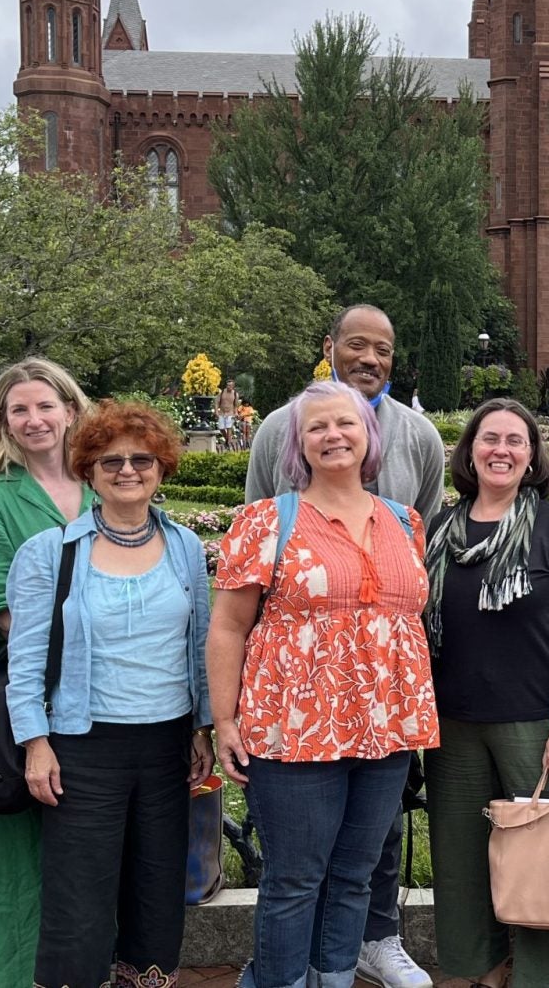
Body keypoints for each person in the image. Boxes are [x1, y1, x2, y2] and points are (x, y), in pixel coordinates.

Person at [210, 380, 438, 988]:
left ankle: (333, 977)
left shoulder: (403, 520)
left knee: (354, 875)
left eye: (346, 423)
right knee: (293, 879)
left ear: (370, 437)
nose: (333, 435)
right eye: (317, 427)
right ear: (299, 444)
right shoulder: (267, 521)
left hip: (385, 729)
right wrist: (225, 721)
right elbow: (229, 626)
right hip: (294, 728)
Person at [5, 400, 216, 988]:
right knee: (81, 890)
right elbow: (24, 659)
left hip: (166, 743)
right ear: (89, 470)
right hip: (82, 745)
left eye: (141, 458)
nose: (128, 470)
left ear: (161, 467)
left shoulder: (185, 549)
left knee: (156, 884)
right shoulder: (51, 553)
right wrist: (35, 743)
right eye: (111, 460)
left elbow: (200, 643)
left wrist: (201, 727)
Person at [422, 398, 549, 987]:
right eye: (489, 438)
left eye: (516, 441)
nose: (501, 450)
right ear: (470, 451)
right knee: (461, 864)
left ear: (532, 457)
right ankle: (478, 969)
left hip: (534, 722)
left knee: (547, 862)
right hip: (453, 726)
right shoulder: (442, 530)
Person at [0, 358, 93, 988]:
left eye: (45, 406)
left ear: (70, 409)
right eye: (19, 410)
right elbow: (6, 612)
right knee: (17, 848)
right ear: (3, 423)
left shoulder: (111, 477)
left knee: (94, 844)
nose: (34, 420)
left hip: (116, 700)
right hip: (34, 692)